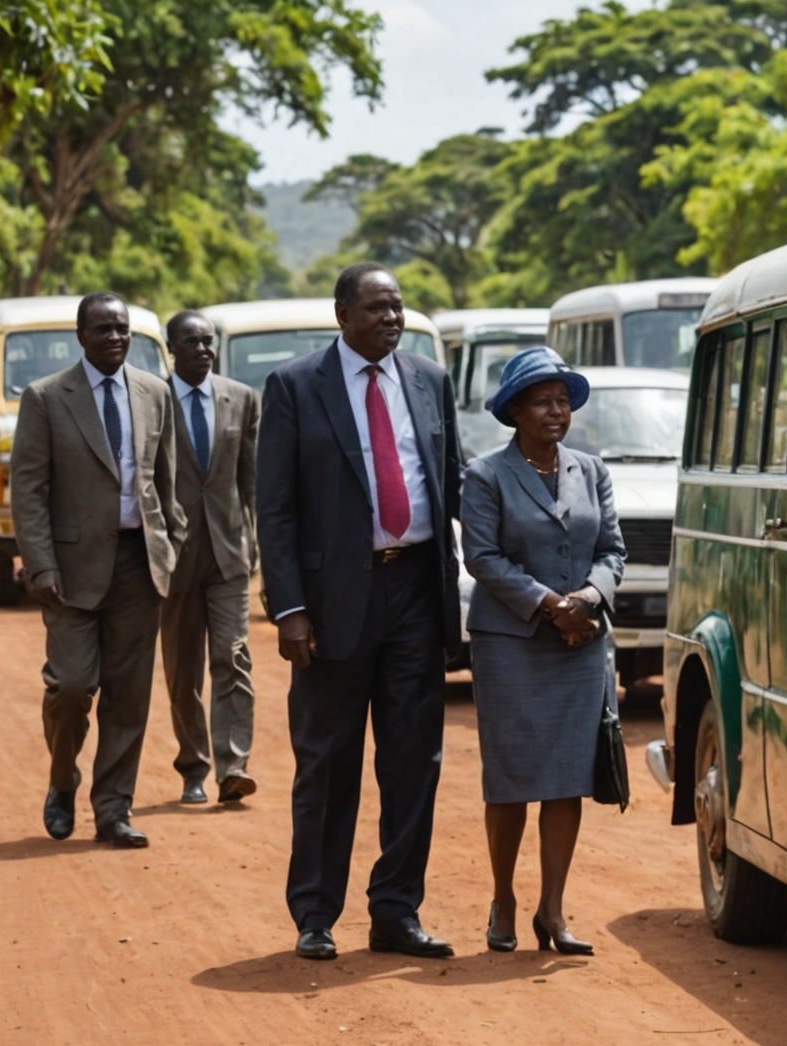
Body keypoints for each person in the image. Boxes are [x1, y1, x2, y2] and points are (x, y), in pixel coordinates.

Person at [256, 263, 464, 962]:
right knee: (327, 763)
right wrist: (288, 608)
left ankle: (396, 912)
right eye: (377, 307)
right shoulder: (293, 387)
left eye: (398, 307)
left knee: (414, 761)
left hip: (414, 594)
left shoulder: (431, 382)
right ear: (342, 313)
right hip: (331, 601)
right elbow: (276, 508)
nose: (391, 318)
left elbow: (455, 486)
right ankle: (315, 913)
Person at [460, 347, 625, 955]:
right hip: (513, 645)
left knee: (566, 779)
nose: (556, 411)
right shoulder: (484, 475)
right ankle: (503, 898)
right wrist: (551, 606)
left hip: (580, 645)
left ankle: (551, 910)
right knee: (510, 781)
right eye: (542, 401)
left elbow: (612, 550)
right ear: (515, 411)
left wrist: (588, 597)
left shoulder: (592, 469)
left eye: (563, 400)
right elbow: (481, 557)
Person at [10, 292, 185, 848]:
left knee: (129, 696)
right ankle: (63, 779)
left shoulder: (155, 393)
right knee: (72, 687)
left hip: (139, 565)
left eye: (122, 329)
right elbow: (29, 489)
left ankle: (113, 810)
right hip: (70, 570)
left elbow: (165, 482)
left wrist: (170, 546)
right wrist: (39, 565)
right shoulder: (45, 398)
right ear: (81, 336)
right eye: (104, 329)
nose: (115, 337)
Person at [159, 311, 260, 805]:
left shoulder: (241, 399)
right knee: (183, 669)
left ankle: (233, 767)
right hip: (173, 557)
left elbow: (252, 481)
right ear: (170, 349)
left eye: (209, 341)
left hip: (228, 555)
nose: (203, 349)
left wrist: (258, 542)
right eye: (191, 342)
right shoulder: (152, 402)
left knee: (233, 656)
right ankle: (192, 767)